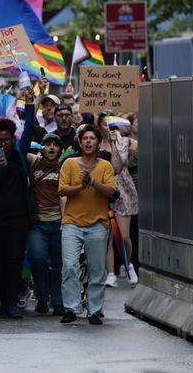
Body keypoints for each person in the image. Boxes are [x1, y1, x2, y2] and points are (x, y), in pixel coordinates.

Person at [0, 89, 35, 319]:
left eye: (7, 139)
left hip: (18, 217)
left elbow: (29, 128)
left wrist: (30, 104)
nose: (4, 143)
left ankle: (10, 302)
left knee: (14, 259)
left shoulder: (20, 154)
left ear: (13, 139)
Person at [59, 125, 116, 325]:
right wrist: (81, 186)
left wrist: (92, 183)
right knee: (70, 266)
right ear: (80, 142)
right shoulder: (69, 164)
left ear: (98, 143)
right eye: (85, 138)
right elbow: (62, 190)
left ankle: (94, 310)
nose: (88, 141)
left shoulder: (105, 167)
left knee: (97, 269)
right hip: (72, 223)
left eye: (92, 138)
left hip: (97, 224)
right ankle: (72, 308)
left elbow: (112, 192)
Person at [97, 113, 139, 287]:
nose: (108, 128)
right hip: (102, 190)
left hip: (122, 190)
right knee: (107, 236)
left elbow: (118, 165)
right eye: (105, 124)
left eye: (111, 124)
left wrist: (115, 144)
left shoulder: (124, 142)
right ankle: (111, 273)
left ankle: (128, 263)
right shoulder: (95, 143)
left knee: (124, 235)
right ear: (100, 126)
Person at [25, 133, 64, 315]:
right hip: (37, 223)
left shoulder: (65, 166)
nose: (51, 147)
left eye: (55, 145)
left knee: (58, 264)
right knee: (38, 259)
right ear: (42, 148)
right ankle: (42, 298)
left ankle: (57, 300)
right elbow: (22, 144)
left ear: (60, 150)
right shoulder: (34, 162)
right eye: (47, 144)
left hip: (59, 222)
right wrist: (32, 105)